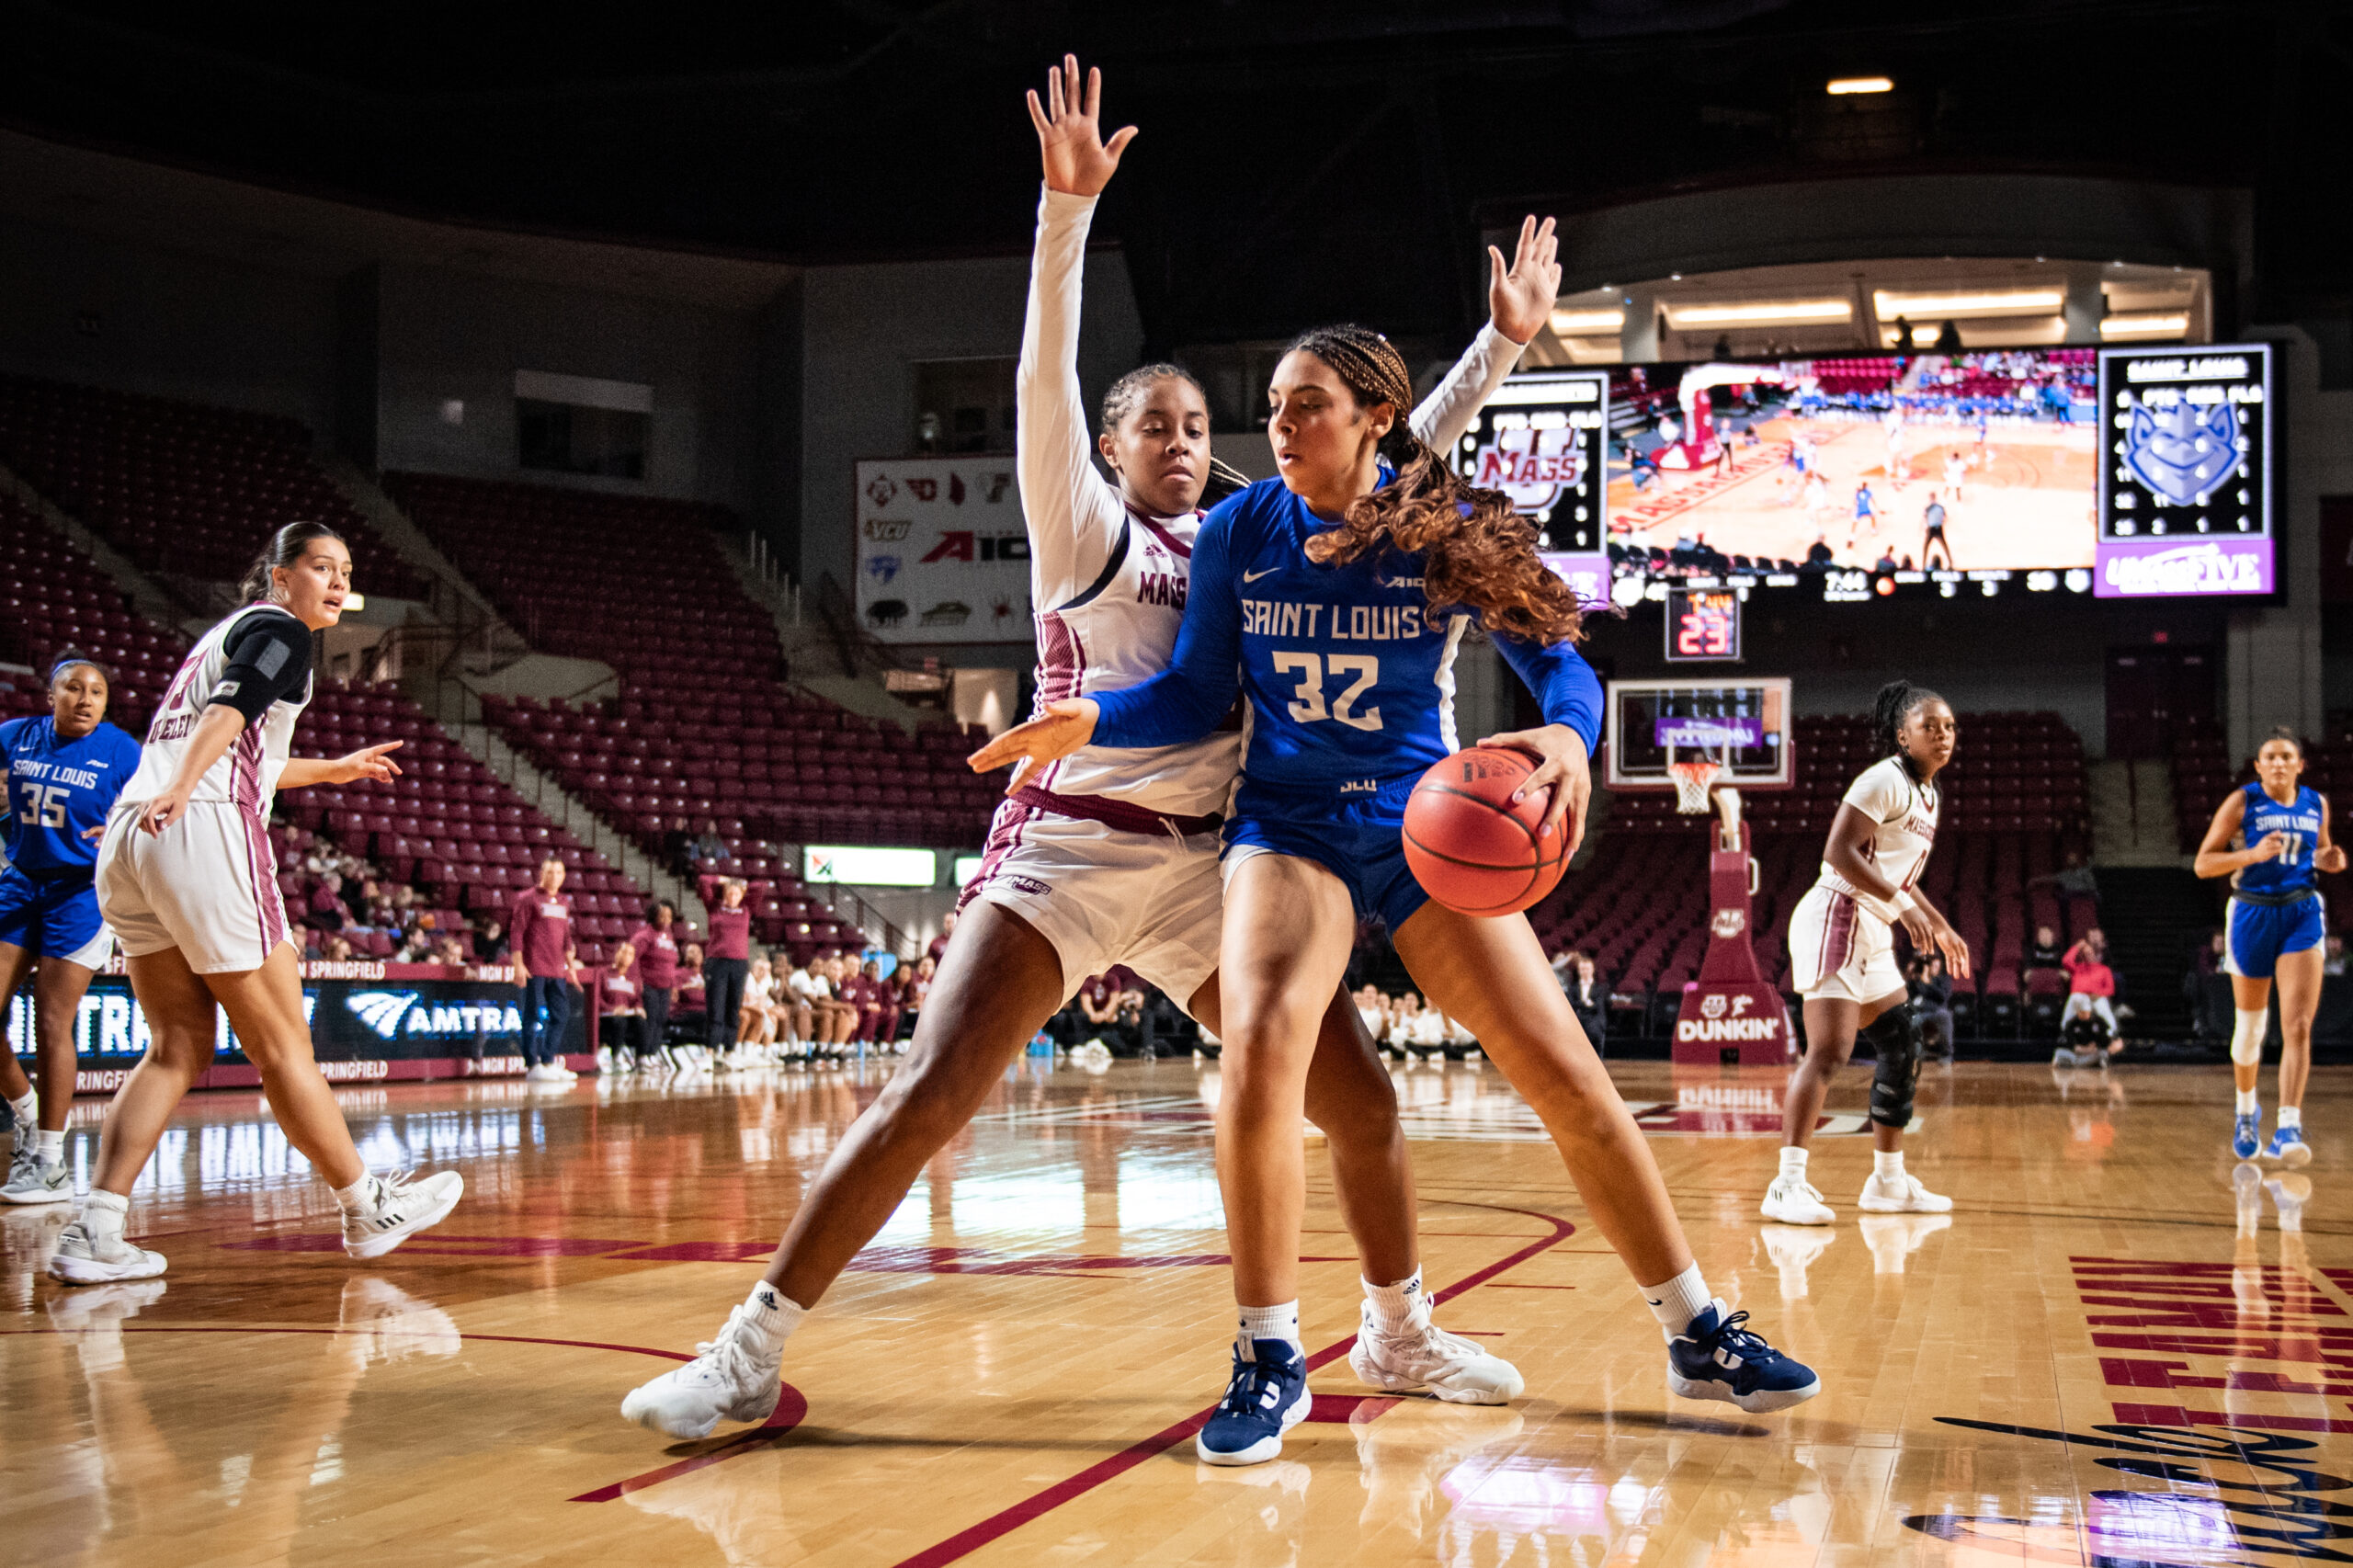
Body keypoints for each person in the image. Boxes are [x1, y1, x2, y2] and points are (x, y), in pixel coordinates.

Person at [620, 55, 1546, 1448]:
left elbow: (1400, 453)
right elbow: (1041, 378)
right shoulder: (1083, 525)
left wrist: (1502, 348)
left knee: (1359, 1104)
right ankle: (749, 1347)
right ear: (1108, 451)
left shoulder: (1257, 533)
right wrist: (1067, 222)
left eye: (1195, 422)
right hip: (1066, 849)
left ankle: (1400, 1326)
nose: (1182, 438)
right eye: (1153, 424)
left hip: (1211, 874)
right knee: (930, 1091)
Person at [967, 309, 1821, 1458]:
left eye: (1303, 404)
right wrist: (1095, 718)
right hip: (1290, 824)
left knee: (1566, 1073)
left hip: (1424, 828)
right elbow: (1188, 694)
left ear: (1376, 418)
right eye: (1269, 405)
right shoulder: (1237, 530)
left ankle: (1695, 1325)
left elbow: (1562, 668)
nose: (1278, 424)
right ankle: (1269, 1353)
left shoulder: (1448, 526)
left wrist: (1568, 738)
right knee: (1265, 1044)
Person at [49, 523, 462, 1283]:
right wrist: (182, 791)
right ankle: (366, 1205)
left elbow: (243, 748)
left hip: (135, 839)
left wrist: (330, 770)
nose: (336, 583)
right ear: (279, 577)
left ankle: (94, 1228)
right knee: (282, 1046)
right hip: (197, 824)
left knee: (176, 1047)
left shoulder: (224, 634)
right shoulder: (280, 630)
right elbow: (229, 717)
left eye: (344, 571)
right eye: (319, 568)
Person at [1763, 681, 1971, 1229]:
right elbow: (1839, 852)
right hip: (1837, 914)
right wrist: (1904, 908)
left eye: (1949, 726)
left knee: (1902, 1043)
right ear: (1903, 735)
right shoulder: (1884, 778)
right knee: (1829, 1051)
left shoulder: (1929, 794)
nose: (1942, 735)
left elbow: (1897, 872)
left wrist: (1939, 922)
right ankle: (1786, 1186)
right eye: (1930, 727)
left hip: (1871, 924)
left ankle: (1888, 1182)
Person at [0, 654, 140, 1205]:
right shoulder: (18, 736)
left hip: (80, 893)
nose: (85, 698)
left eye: (97, 692)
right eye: (73, 688)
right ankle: (29, 1117)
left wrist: (127, 822)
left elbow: (165, 797)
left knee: (54, 1021)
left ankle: (52, 1163)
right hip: (19, 883)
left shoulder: (120, 749)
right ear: (50, 694)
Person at [2196, 727, 2341, 1164]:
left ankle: (2288, 1127)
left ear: (2300, 765)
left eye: (2286, 756)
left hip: (2300, 911)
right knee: (2251, 1031)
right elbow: (2204, 864)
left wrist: (2333, 859)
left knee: (2297, 1024)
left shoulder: (2317, 803)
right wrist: (2251, 855)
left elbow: (2324, 851)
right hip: (2251, 913)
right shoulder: (2243, 802)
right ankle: (2245, 1112)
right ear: (2258, 767)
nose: (2278, 763)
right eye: (2270, 757)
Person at [510, 857, 581, 1084]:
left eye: (559, 873)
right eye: (550, 872)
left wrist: (571, 964)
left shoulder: (563, 901)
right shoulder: (527, 898)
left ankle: (548, 1060)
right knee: (531, 1016)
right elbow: (517, 932)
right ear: (542, 873)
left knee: (561, 1014)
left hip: (556, 969)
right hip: (534, 967)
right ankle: (532, 1065)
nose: (555, 877)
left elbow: (566, 936)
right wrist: (518, 964)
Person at [705, 879, 753, 1064]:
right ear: (724, 894)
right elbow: (703, 882)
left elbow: (760, 887)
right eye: (730, 893)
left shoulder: (746, 910)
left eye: (737, 894)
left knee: (734, 1007)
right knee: (716, 1006)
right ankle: (710, 1050)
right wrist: (722, 880)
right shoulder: (715, 907)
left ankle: (729, 1050)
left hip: (739, 963)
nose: (733, 897)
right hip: (717, 962)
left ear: (741, 896)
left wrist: (741, 884)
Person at [629, 901, 681, 1066]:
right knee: (649, 1020)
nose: (666, 920)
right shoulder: (644, 936)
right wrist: (637, 981)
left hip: (665, 986)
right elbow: (633, 958)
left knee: (660, 1019)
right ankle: (642, 1054)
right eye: (662, 916)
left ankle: (653, 1053)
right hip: (649, 985)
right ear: (653, 916)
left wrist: (674, 985)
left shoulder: (670, 937)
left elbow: (671, 963)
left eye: (669, 916)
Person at [598, 940, 646, 1072]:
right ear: (617, 953)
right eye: (624, 952)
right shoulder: (604, 973)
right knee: (620, 1022)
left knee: (640, 1021)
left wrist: (639, 1008)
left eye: (630, 954)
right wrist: (612, 1009)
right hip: (608, 1015)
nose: (627, 956)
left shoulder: (634, 978)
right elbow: (597, 998)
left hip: (627, 1014)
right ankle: (616, 1057)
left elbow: (636, 999)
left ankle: (641, 1059)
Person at [1563, 952, 1608, 1054]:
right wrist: (1585, 1003)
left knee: (1596, 1054)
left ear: (1592, 970)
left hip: (1595, 1023)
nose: (1585, 972)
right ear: (1579, 971)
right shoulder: (1573, 988)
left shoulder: (1601, 988)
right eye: (1582, 969)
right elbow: (1570, 1004)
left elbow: (1597, 1006)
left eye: (1587, 969)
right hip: (1578, 1022)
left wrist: (1581, 1004)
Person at [1921, 493, 1951, 570]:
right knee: (1944, 546)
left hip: (1932, 528)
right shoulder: (1939, 507)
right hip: (1937, 527)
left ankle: (1923, 565)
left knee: (1926, 547)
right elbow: (1945, 516)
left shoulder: (1929, 508)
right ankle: (1950, 562)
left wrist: (1926, 526)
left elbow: (1924, 517)